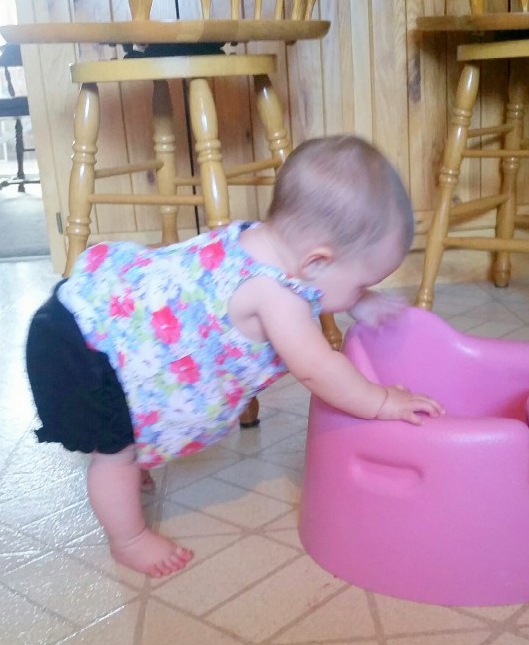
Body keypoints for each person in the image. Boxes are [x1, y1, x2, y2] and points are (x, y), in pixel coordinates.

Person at [25, 135, 445, 578]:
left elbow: (319, 286)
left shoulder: (259, 241)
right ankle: (128, 540)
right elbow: (319, 369)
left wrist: (359, 301)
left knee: (128, 439)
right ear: (316, 262)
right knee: (115, 457)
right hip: (83, 357)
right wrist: (382, 401)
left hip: (91, 316)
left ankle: (132, 472)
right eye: (362, 284)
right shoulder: (276, 295)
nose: (362, 292)